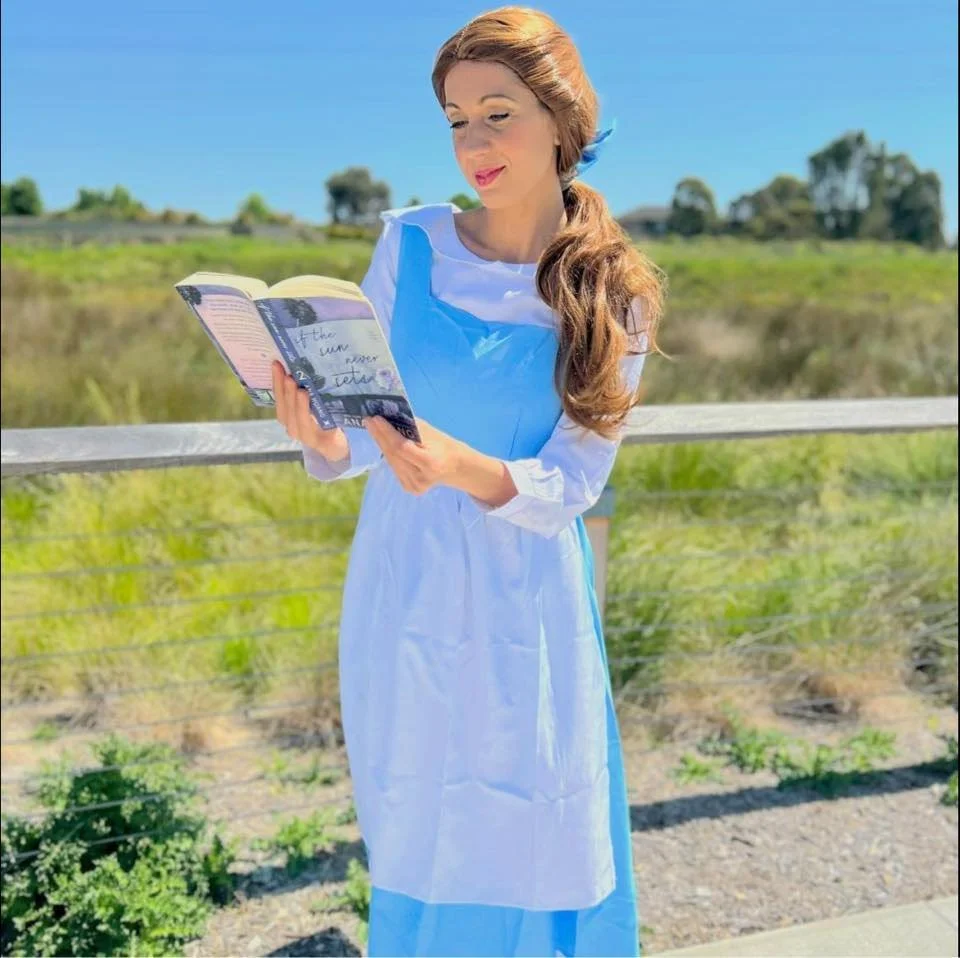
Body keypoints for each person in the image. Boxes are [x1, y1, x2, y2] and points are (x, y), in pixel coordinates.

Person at [272, 6, 666, 955]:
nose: (474, 142)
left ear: (561, 120)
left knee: (530, 815)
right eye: (456, 119)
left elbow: (576, 479)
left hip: (525, 593)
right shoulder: (409, 245)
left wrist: (461, 466)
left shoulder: (617, 291)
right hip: (404, 575)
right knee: (418, 813)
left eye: (499, 112)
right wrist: (319, 439)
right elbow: (370, 434)